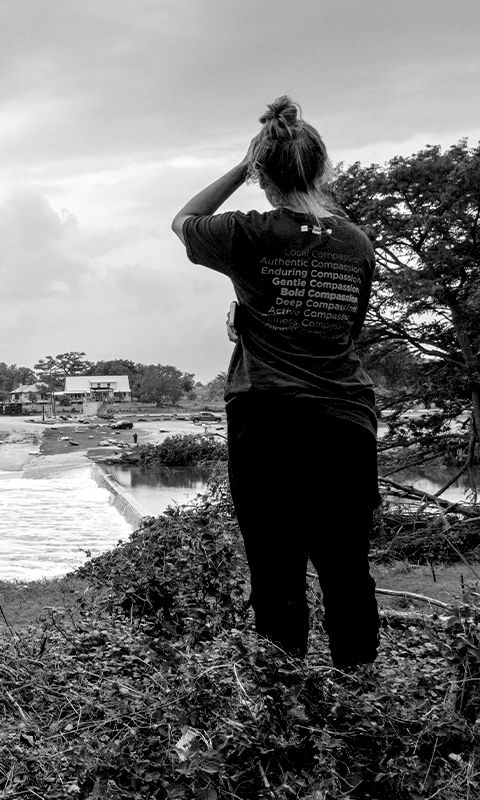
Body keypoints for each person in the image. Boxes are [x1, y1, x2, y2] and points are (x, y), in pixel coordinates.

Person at [170, 96, 379, 670]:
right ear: (321, 168)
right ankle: (360, 704)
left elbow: (182, 220)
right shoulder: (357, 243)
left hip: (268, 417)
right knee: (346, 567)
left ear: (264, 175)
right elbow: (344, 329)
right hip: (345, 415)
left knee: (274, 565)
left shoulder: (250, 232)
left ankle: (282, 705)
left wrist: (241, 167)